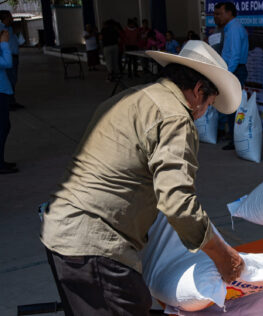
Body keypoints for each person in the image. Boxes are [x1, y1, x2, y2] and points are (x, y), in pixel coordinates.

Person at [40, 40, 244, 315]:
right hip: (97, 246)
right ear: (197, 91)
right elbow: (178, 202)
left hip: (62, 234)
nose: (203, 113)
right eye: (207, 103)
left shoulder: (129, 99)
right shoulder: (175, 117)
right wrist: (224, 256)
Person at [213, 1, 248, 150]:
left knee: (233, 106)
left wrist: (227, 75)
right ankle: (232, 135)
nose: (216, 17)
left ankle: (235, 140)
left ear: (229, 13)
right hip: (233, 70)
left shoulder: (233, 29)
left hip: (235, 71)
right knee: (230, 105)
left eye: (219, 13)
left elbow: (234, 56)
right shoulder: (230, 28)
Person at [0, 10, 22, 110]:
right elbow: (7, 63)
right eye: (9, 17)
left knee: (13, 79)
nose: (11, 19)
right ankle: (9, 102)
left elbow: (20, 41)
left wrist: (18, 33)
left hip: (14, 56)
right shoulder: (2, 30)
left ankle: (11, 101)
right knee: (9, 80)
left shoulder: (11, 29)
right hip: (8, 57)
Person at [0, 29, 14, 174]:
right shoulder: (2, 45)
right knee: (2, 127)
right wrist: (4, 44)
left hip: (2, 91)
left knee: (5, 126)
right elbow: (7, 62)